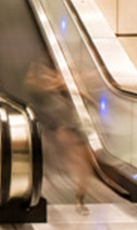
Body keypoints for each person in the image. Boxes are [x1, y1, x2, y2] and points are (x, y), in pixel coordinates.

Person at [24, 61, 92, 215]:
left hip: (71, 124)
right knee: (75, 159)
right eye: (45, 73)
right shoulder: (35, 84)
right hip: (57, 126)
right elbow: (47, 85)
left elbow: (65, 86)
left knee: (84, 162)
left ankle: (80, 198)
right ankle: (68, 194)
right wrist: (63, 82)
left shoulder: (56, 83)